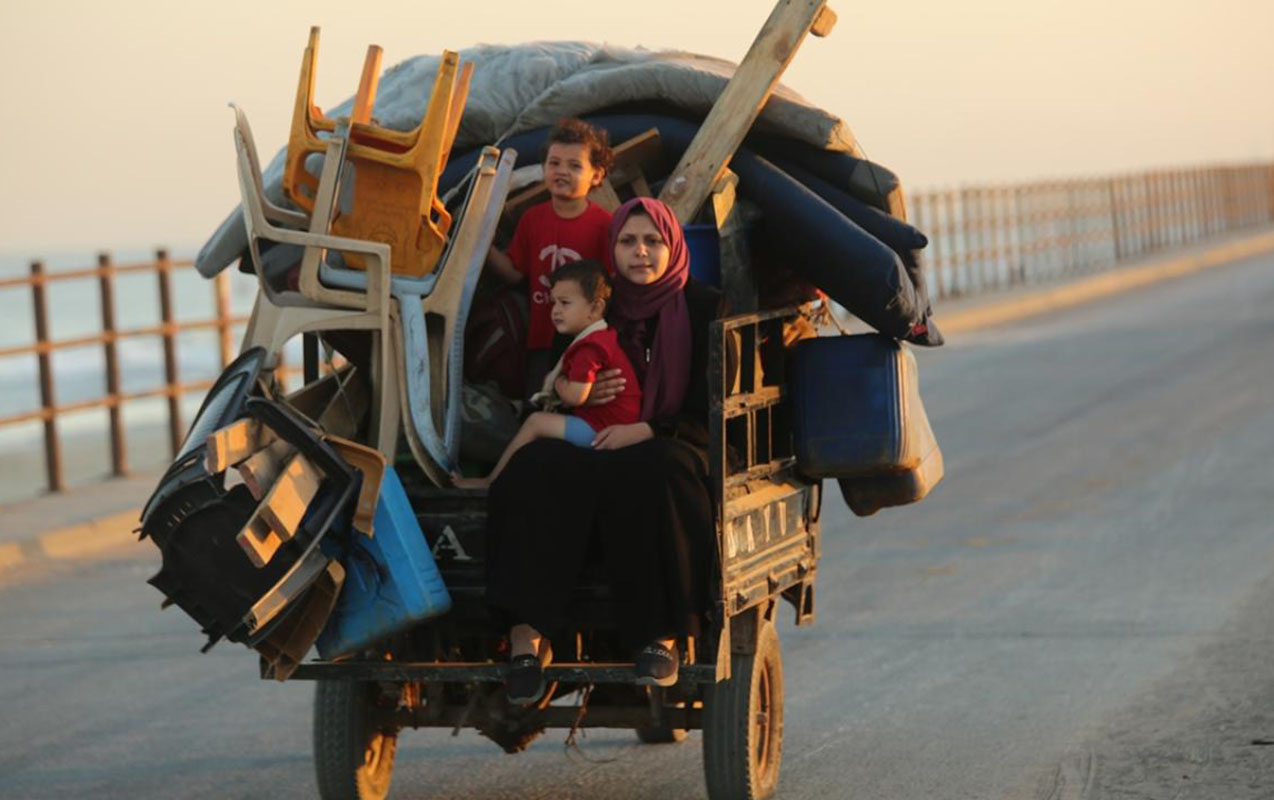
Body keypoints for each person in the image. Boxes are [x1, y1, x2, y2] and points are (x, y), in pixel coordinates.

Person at [483, 197, 724, 704]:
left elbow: (711, 404)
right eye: (627, 241)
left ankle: (660, 636)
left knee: (659, 472)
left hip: (670, 437)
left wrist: (649, 428)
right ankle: (527, 636)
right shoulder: (596, 302)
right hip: (594, 433)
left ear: (672, 245)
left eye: (652, 241)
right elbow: (561, 371)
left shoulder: (704, 307)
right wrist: (578, 393)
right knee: (535, 467)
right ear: (612, 248)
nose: (640, 252)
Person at [452, 260, 641, 489]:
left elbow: (575, 396)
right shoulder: (600, 337)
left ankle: (492, 480)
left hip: (604, 432)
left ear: (595, 308)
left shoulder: (590, 348)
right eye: (554, 303)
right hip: (607, 425)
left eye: (565, 303)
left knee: (536, 422)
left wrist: (558, 381)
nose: (556, 311)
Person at [485, 119, 615, 397]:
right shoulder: (532, 219)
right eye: (554, 163)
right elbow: (515, 273)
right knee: (537, 398)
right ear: (543, 169)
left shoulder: (605, 226)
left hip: (585, 342)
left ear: (596, 175)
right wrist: (485, 247)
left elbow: (612, 288)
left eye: (575, 165)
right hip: (541, 340)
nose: (562, 171)